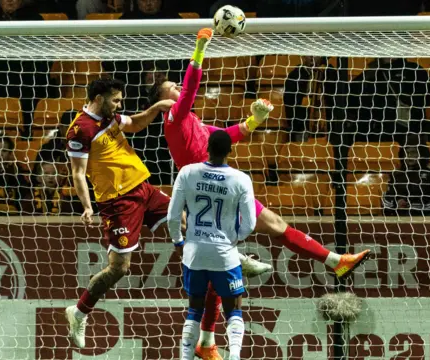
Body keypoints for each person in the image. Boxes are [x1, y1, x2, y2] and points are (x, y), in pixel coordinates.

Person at [149, 28, 370, 360]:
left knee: (266, 233)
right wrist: (199, 47)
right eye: (172, 88)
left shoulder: (190, 119)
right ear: (164, 100)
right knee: (227, 261)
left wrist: (255, 120)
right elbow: (193, 84)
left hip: (219, 188)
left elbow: (225, 136)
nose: (178, 89)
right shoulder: (174, 116)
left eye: (177, 86)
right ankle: (209, 336)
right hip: (209, 190)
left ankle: (335, 262)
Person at [63, 78, 177, 348]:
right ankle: (78, 313)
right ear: (100, 98)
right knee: (119, 268)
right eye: (115, 100)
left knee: (184, 220)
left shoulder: (111, 118)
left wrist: (158, 106)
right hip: (117, 202)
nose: (119, 104)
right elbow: (78, 172)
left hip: (143, 188)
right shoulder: (80, 129)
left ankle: (231, 258)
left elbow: (136, 123)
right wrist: (87, 205)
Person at [169, 130, 255, 360]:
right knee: (233, 309)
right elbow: (250, 223)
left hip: (194, 252)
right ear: (230, 151)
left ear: (207, 147)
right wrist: (234, 239)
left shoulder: (187, 173)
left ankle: (185, 357)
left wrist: (178, 240)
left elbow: (173, 216)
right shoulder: (240, 179)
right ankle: (234, 356)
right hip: (224, 254)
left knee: (194, 309)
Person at [382, 136, 430, 216]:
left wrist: (413, 206)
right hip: (399, 216)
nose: (409, 156)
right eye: (407, 153)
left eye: (414, 153)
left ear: (422, 154)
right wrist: (397, 202)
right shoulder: (396, 175)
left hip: (424, 217)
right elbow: (387, 198)